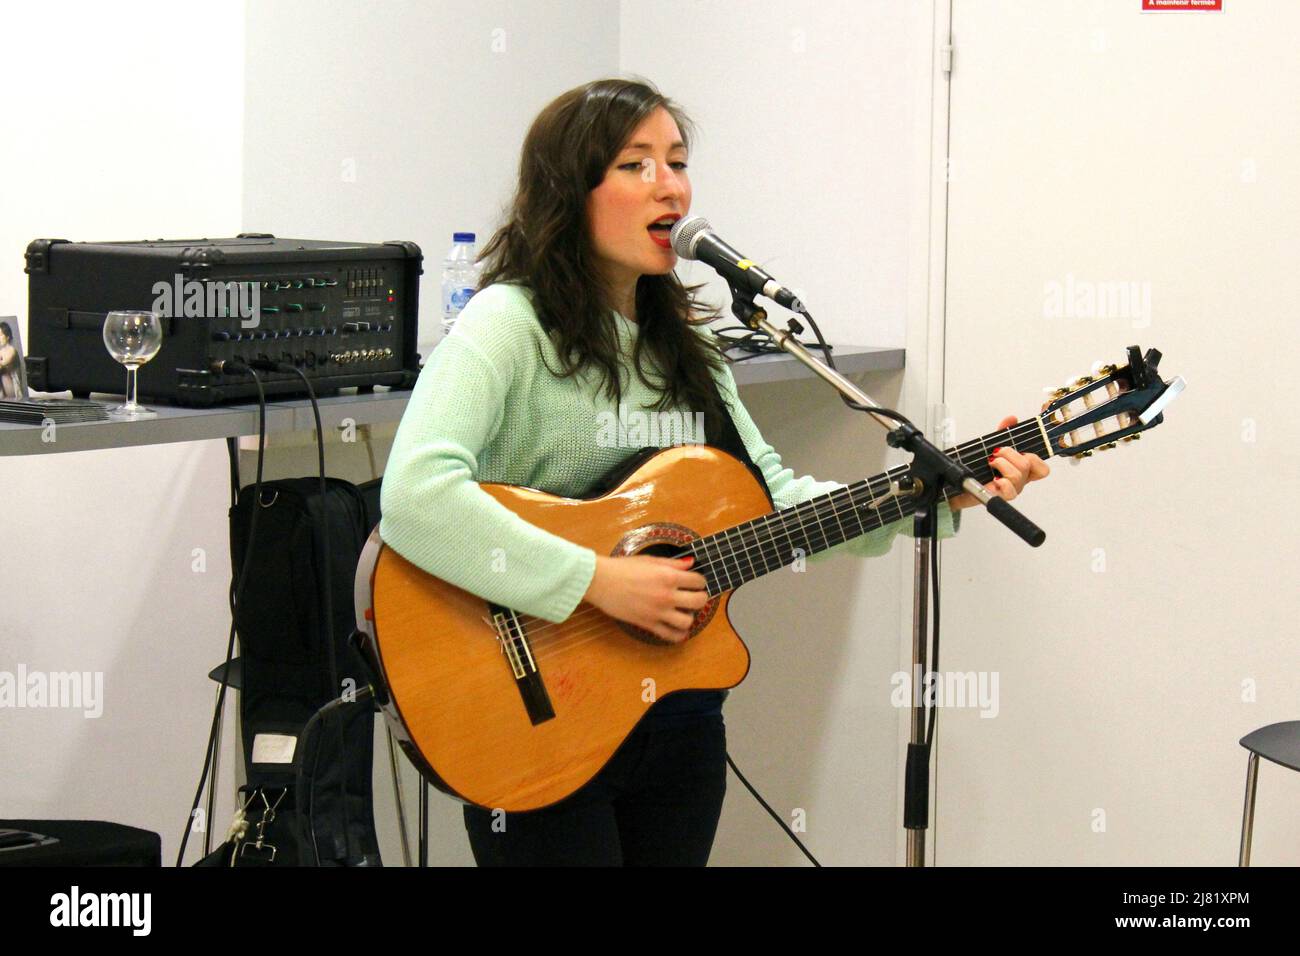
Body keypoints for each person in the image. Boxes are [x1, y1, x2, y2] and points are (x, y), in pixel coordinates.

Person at [378, 78, 1049, 866]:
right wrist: (597, 580)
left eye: (677, 161)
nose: (671, 185)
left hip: (679, 713)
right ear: (569, 193)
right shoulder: (508, 325)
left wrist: (937, 492)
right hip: (537, 712)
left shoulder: (687, 348)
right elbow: (416, 496)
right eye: (636, 165)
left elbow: (775, 503)